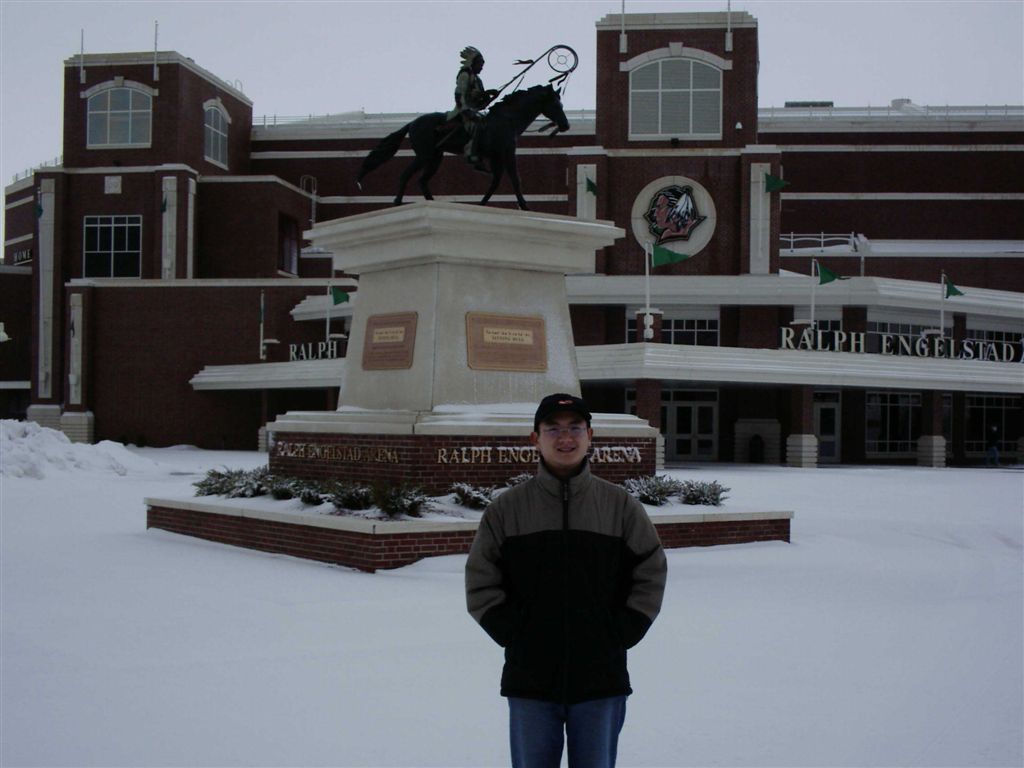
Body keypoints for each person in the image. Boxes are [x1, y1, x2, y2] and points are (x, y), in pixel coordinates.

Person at [465, 393, 667, 768]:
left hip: (600, 678)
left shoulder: (620, 506)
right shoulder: (507, 509)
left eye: (575, 428)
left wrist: (622, 631)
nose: (565, 437)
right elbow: (481, 579)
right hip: (530, 679)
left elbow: (650, 569)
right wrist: (514, 632)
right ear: (535, 438)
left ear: (590, 435)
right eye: (553, 429)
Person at [446, 46, 498, 169]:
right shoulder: (465, 75)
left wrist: (490, 96)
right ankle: (471, 153)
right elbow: (459, 95)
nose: (481, 68)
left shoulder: (478, 80)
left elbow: (480, 103)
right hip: (463, 111)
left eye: (482, 65)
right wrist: (465, 111)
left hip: (474, 111)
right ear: (473, 63)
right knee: (477, 124)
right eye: (480, 64)